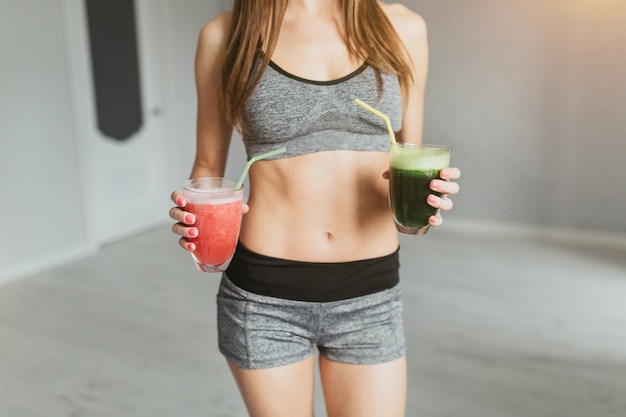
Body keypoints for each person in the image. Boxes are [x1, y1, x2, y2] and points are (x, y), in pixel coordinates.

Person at [169, 1, 461, 416]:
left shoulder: (402, 27)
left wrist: (425, 207)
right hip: (265, 298)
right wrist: (196, 228)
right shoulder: (225, 35)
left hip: (370, 296)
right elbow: (207, 168)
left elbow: (409, 162)